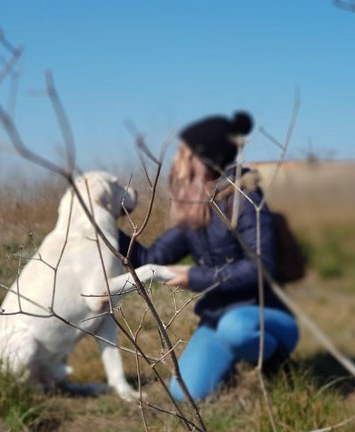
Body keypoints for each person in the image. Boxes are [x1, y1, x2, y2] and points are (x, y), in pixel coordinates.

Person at [119, 111, 299, 401]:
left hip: (266, 315)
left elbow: (260, 267)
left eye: (183, 153)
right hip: (219, 317)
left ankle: (277, 365)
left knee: (236, 330)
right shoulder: (196, 208)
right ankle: (233, 363)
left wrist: (194, 276)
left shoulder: (247, 199)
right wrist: (101, 222)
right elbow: (151, 256)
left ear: (202, 160)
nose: (176, 160)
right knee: (184, 393)